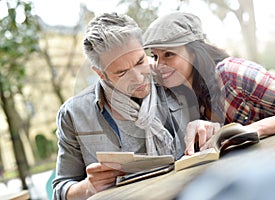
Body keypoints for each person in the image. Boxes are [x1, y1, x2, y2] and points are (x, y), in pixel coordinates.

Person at [52, 12, 192, 199]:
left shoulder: (175, 83)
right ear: (101, 74)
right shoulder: (73, 114)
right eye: (122, 72)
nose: (138, 77)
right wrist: (87, 187)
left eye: (140, 61)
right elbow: (60, 189)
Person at [143, 11, 275, 155]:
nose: (159, 65)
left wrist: (253, 129)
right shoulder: (183, 99)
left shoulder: (231, 73)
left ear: (194, 52)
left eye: (168, 54)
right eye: (155, 56)